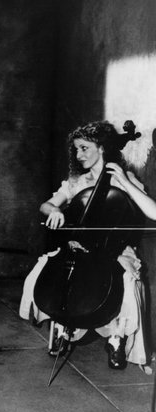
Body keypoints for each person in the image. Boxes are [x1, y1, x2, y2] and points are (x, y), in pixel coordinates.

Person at [20, 121, 156, 372]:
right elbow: (46, 205)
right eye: (76, 149)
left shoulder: (125, 179)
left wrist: (125, 182)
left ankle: (116, 339)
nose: (78, 154)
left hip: (112, 251)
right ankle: (62, 325)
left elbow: (154, 212)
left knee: (126, 281)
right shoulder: (76, 182)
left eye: (84, 148)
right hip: (75, 247)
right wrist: (54, 210)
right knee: (43, 269)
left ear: (102, 148)